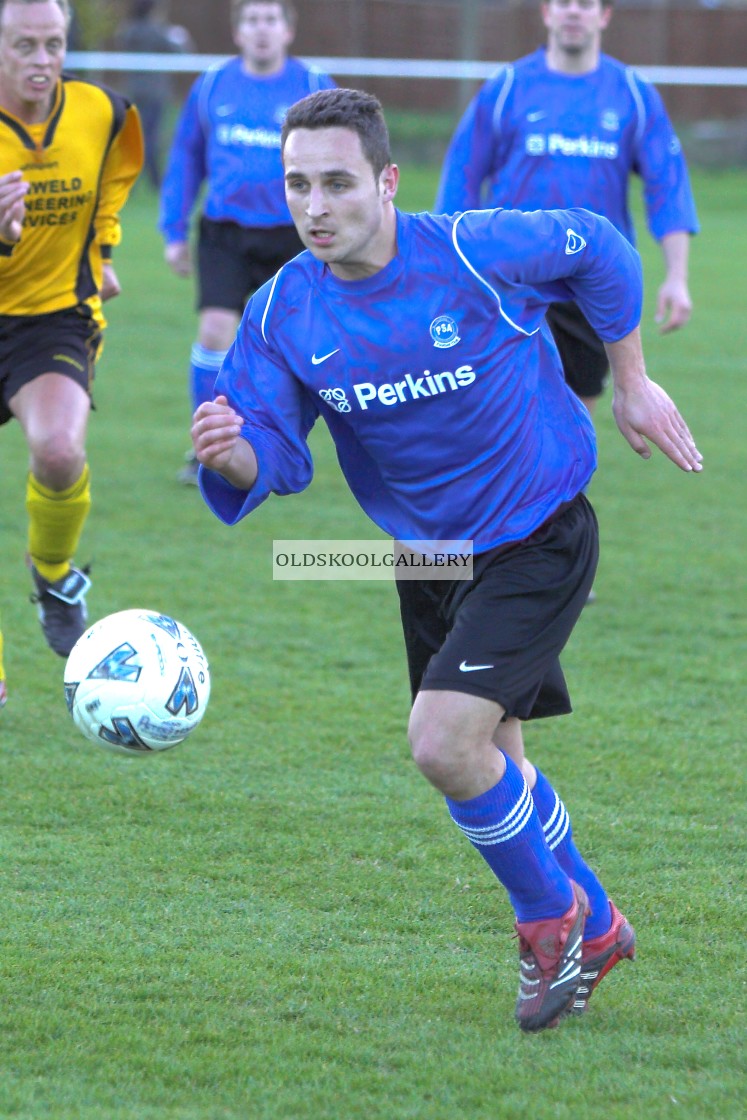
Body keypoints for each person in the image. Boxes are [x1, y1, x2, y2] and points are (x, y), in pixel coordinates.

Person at [190, 88, 702, 1032]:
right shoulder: (280, 313)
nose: (314, 206)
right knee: (496, 753)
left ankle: (549, 922)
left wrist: (629, 381)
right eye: (297, 184)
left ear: (386, 182)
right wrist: (236, 454)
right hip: (427, 554)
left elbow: (597, 243)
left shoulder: (471, 249)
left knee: (441, 741)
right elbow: (276, 451)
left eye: (337, 183)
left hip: (536, 535)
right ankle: (600, 921)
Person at [436, 0, 699, 417]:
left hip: (590, 280)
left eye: (586, 4)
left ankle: (561, 480)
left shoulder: (632, 93)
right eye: (563, 3)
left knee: (575, 415)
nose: (574, 12)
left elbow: (668, 187)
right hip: (511, 276)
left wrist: (677, 277)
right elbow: (462, 179)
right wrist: (449, 267)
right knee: (504, 412)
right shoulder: (507, 88)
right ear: (546, 13)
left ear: (605, 15)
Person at [0, 0, 143, 705]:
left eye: (52, 44)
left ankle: (53, 573)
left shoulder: (101, 111)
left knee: (59, 451)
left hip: (50, 319)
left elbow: (117, 170)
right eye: (24, 45)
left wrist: (102, 245)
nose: (41, 61)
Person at [159, 0, 335, 485]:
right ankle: (207, 450)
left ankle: (301, 442)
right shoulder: (213, 85)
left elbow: (347, 157)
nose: (261, 30)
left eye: (270, 20)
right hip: (225, 233)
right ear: (238, 31)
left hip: (295, 235)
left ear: (288, 30)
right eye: (251, 20)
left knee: (306, 347)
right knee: (216, 331)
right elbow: (185, 159)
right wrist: (173, 231)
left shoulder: (314, 86)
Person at [114, 0, 191, 190]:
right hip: (154, 93)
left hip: (133, 91)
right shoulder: (157, 32)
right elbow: (180, 52)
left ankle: (138, 181)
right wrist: (180, 38)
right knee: (150, 137)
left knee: (137, 135)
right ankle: (152, 181)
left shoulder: (127, 31)